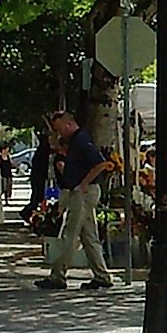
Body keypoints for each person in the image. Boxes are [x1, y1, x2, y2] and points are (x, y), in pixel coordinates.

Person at [34, 112, 113, 291]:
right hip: (83, 191)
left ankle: (58, 275)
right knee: (89, 236)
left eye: (60, 128)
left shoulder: (81, 141)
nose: (59, 132)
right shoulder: (76, 141)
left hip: (82, 193)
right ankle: (102, 275)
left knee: (70, 234)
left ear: (69, 124)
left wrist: (83, 184)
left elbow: (100, 163)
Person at [22, 129, 53, 220]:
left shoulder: (41, 150)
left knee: (37, 197)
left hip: (38, 176)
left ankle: (29, 214)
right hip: (40, 176)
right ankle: (27, 214)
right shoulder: (44, 150)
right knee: (38, 197)